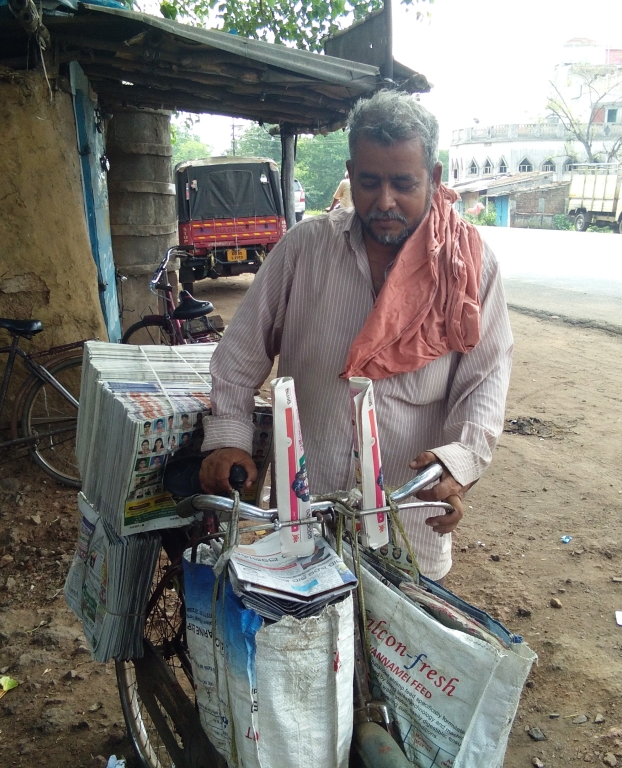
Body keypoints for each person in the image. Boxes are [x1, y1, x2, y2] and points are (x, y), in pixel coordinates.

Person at [200, 90, 513, 580]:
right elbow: (238, 357)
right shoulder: (304, 249)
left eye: (403, 184)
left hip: (408, 523)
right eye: (369, 182)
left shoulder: (469, 267)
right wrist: (230, 439)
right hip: (306, 518)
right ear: (351, 174)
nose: (385, 201)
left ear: (433, 178)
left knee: (394, 629)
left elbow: (485, 381)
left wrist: (457, 465)